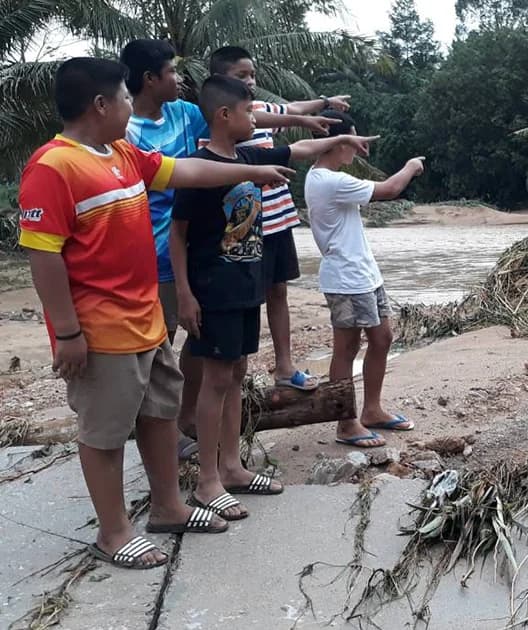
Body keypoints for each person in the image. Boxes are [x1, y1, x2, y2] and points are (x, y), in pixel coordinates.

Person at [17, 57, 294, 569]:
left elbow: (182, 170)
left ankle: (168, 506)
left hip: (144, 319)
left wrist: (252, 169)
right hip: (99, 329)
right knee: (103, 433)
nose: (130, 107)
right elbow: (43, 256)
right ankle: (114, 530)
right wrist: (68, 332)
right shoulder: (52, 168)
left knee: (161, 413)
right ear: (100, 105)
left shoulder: (120, 152)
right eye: (124, 98)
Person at [170, 76, 377, 519]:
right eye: (249, 112)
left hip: (247, 285)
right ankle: (208, 481)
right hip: (215, 290)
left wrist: (340, 136)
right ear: (225, 115)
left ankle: (231, 466)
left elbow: (297, 151)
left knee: (237, 374)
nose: (255, 119)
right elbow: (177, 233)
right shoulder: (197, 167)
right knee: (216, 379)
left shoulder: (245, 154)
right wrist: (185, 294)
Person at [208, 46, 351, 394]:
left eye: (252, 75)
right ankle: (236, 373)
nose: (251, 81)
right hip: (242, 228)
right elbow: (286, 117)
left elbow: (290, 109)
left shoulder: (256, 109)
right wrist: (301, 120)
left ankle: (284, 366)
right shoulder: (224, 117)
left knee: (279, 291)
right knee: (246, 298)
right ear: (220, 81)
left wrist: (321, 102)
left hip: (277, 218)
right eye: (242, 75)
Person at [304, 110, 425, 448]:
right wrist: (412, 165)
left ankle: (372, 410)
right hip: (346, 278)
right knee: (346, 348)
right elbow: (390, 189)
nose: (356, 150)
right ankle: (345, 423)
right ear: (339, 143)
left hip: (363, 273)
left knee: (382, 338)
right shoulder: (329, 181)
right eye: (354, 142)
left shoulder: (326, 178)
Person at [120, 39, 210, 461]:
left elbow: (243, 116)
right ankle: (160, 434)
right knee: (158, 349)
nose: (179, 78)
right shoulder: (123, 133)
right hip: (151, 259)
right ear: (149, 80)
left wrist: (308, 110)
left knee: (202, 336)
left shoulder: (187, 114)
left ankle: (184, 417)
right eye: (171, 71)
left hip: (199, 251)